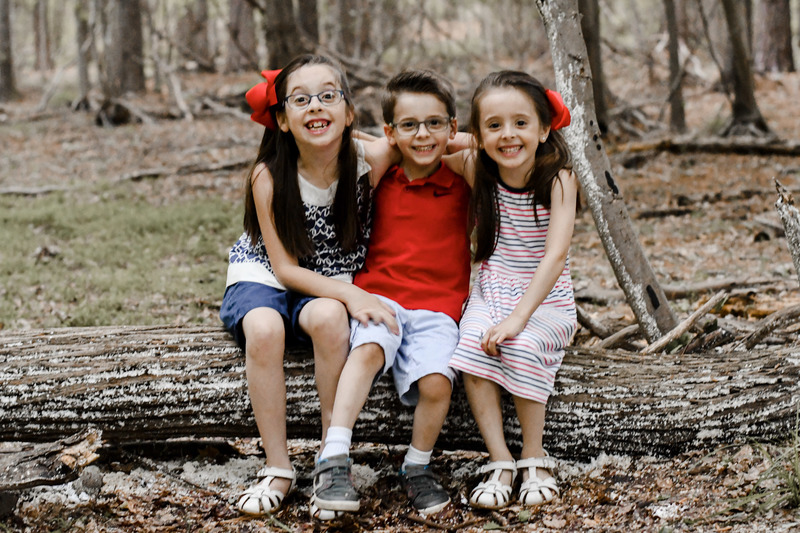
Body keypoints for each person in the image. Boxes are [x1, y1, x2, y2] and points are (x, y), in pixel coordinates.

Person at [219, 54, 398, 517]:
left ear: (349, 111)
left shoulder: (369, 159)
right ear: (281, 119)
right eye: (300, 100)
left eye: (327, 96)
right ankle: (278, 466)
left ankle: (330, 457)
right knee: (264, 329)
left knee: (331, 317)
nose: (315, 106)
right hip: (267, 274)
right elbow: (284, 269)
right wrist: (355, 293)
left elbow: (428, 136)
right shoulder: (268, 175)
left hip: (328, 282)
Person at [309, 70, 472, 518]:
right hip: (378, 298)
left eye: (435, 123)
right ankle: (333, 454)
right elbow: (340, 141)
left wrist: (446, 141)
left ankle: (417, 466)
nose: (423, 135)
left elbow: (490, 144)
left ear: (453, 127)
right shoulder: (380, 176)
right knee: (366, 352)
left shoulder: (465, 178)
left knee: (437, 383)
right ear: (389, 132)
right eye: (409, 126)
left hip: (438, 308)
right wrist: (394, 145)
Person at [446, 70, 579, 510]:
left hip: (545, 299)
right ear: (478, 135)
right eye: (494, 125)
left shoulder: (558, 179)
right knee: (472, 344)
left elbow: (554, 257)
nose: (508, 134)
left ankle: (533, 456)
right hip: (490, 291)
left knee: (520, 345)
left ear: (543, 129)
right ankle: (500, 458)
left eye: (521, 123)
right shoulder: (477, 168)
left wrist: (518, 319)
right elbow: (424, 144)